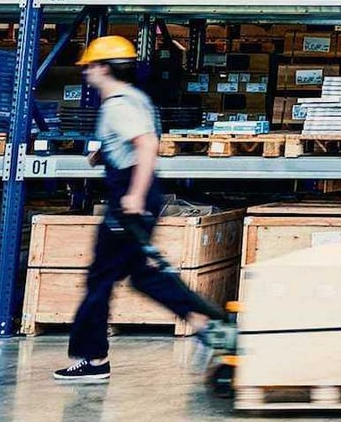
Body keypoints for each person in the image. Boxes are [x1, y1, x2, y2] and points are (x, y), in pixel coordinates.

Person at [54, 36, 223, 383]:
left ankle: (92, 359)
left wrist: (133, 195)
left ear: (104, 67)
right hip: (137, 195)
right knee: (143, 276)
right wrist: (106, 153)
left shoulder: (118, 103)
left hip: (130, 199)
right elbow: (136, 141)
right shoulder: (134, 99)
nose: (86, 72)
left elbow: (147, 145)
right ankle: (205, 325)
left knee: (101, 277)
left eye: (90, 66)